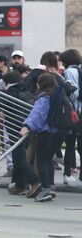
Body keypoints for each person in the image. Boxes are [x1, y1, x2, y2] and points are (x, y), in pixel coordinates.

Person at [21, 73, 68, 202]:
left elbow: (37, 114)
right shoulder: (59, 94)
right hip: (58, 133)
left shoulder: (44, 97)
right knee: (49, 160)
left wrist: (27, 126)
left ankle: (46, 190)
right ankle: (50, 187)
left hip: (45, 133)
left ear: (41, 84)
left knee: (42, 160)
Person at [60, 49, 82, 187]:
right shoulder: (80, 70)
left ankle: (67, 174)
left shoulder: (69, 72)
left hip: (73, 113)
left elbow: (73, 92)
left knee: (69, 144)